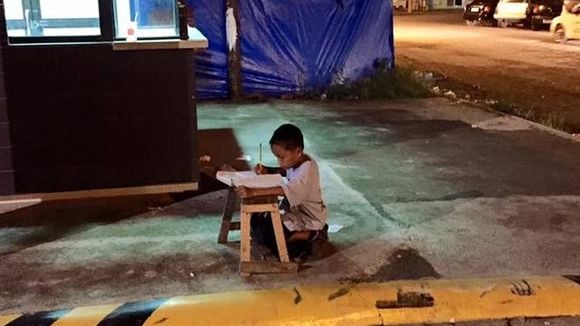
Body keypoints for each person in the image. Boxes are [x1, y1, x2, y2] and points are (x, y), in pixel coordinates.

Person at [235, 124, 328, 260]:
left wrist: (252, 192)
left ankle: (312, 235)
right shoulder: (297, 161)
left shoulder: (306, 172)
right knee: (256, 220)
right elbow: (285, 170)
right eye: (277, 157)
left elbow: (284, 190)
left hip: (309, 219)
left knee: (275, 240)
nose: (279, 161)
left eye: (281, 157)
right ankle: (295, 237)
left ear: (298, 152)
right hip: (294, 213)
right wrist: (268, 169)